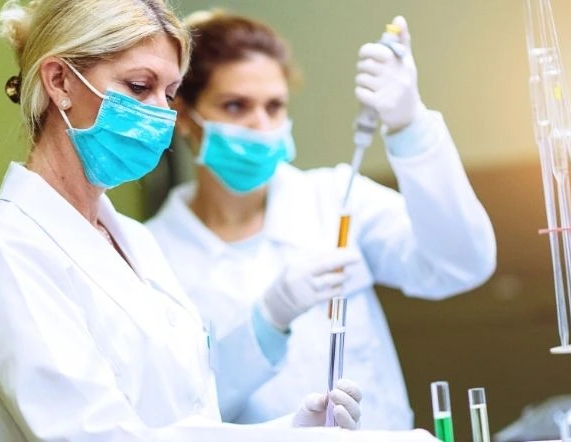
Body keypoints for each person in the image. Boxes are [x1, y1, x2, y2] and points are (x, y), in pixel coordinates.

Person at [0, 1, 441, 441]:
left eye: (170, 93)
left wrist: (288, 429)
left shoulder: (131, 240)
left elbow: (182, 414)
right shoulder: (10, 249)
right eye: (139, 86)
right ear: (60, 80)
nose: (160, 115)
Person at [146, 10, 497, 430]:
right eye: (236, 106)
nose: (261, 126)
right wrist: (266, 322)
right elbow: (178, 413)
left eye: (274, 106)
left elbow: (462, 264)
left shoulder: (335, 199)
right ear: (183, 114)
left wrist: (409, 124)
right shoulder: (153, 255)